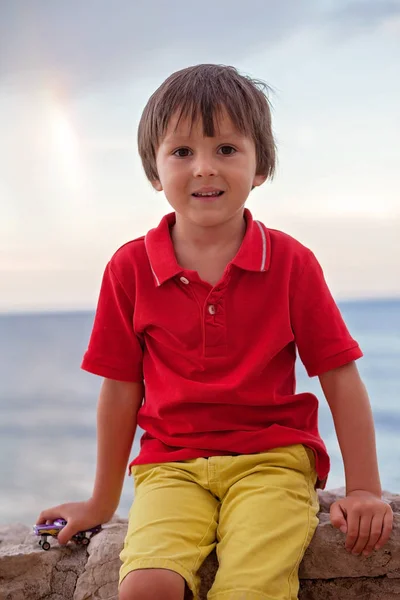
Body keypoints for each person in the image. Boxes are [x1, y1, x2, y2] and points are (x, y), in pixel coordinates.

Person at [37, 64, 393, 600]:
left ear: (259, 167)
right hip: (170, 466)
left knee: (250, 587)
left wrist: (365, 489)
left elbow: (340, 377)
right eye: (182, 152)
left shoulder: (292, 263)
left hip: (272, 462)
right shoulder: (129, 268)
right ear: (154, 171)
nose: (204, 168)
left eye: (226, 149)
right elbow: (120, 390)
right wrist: (101, 502)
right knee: (145, 587)